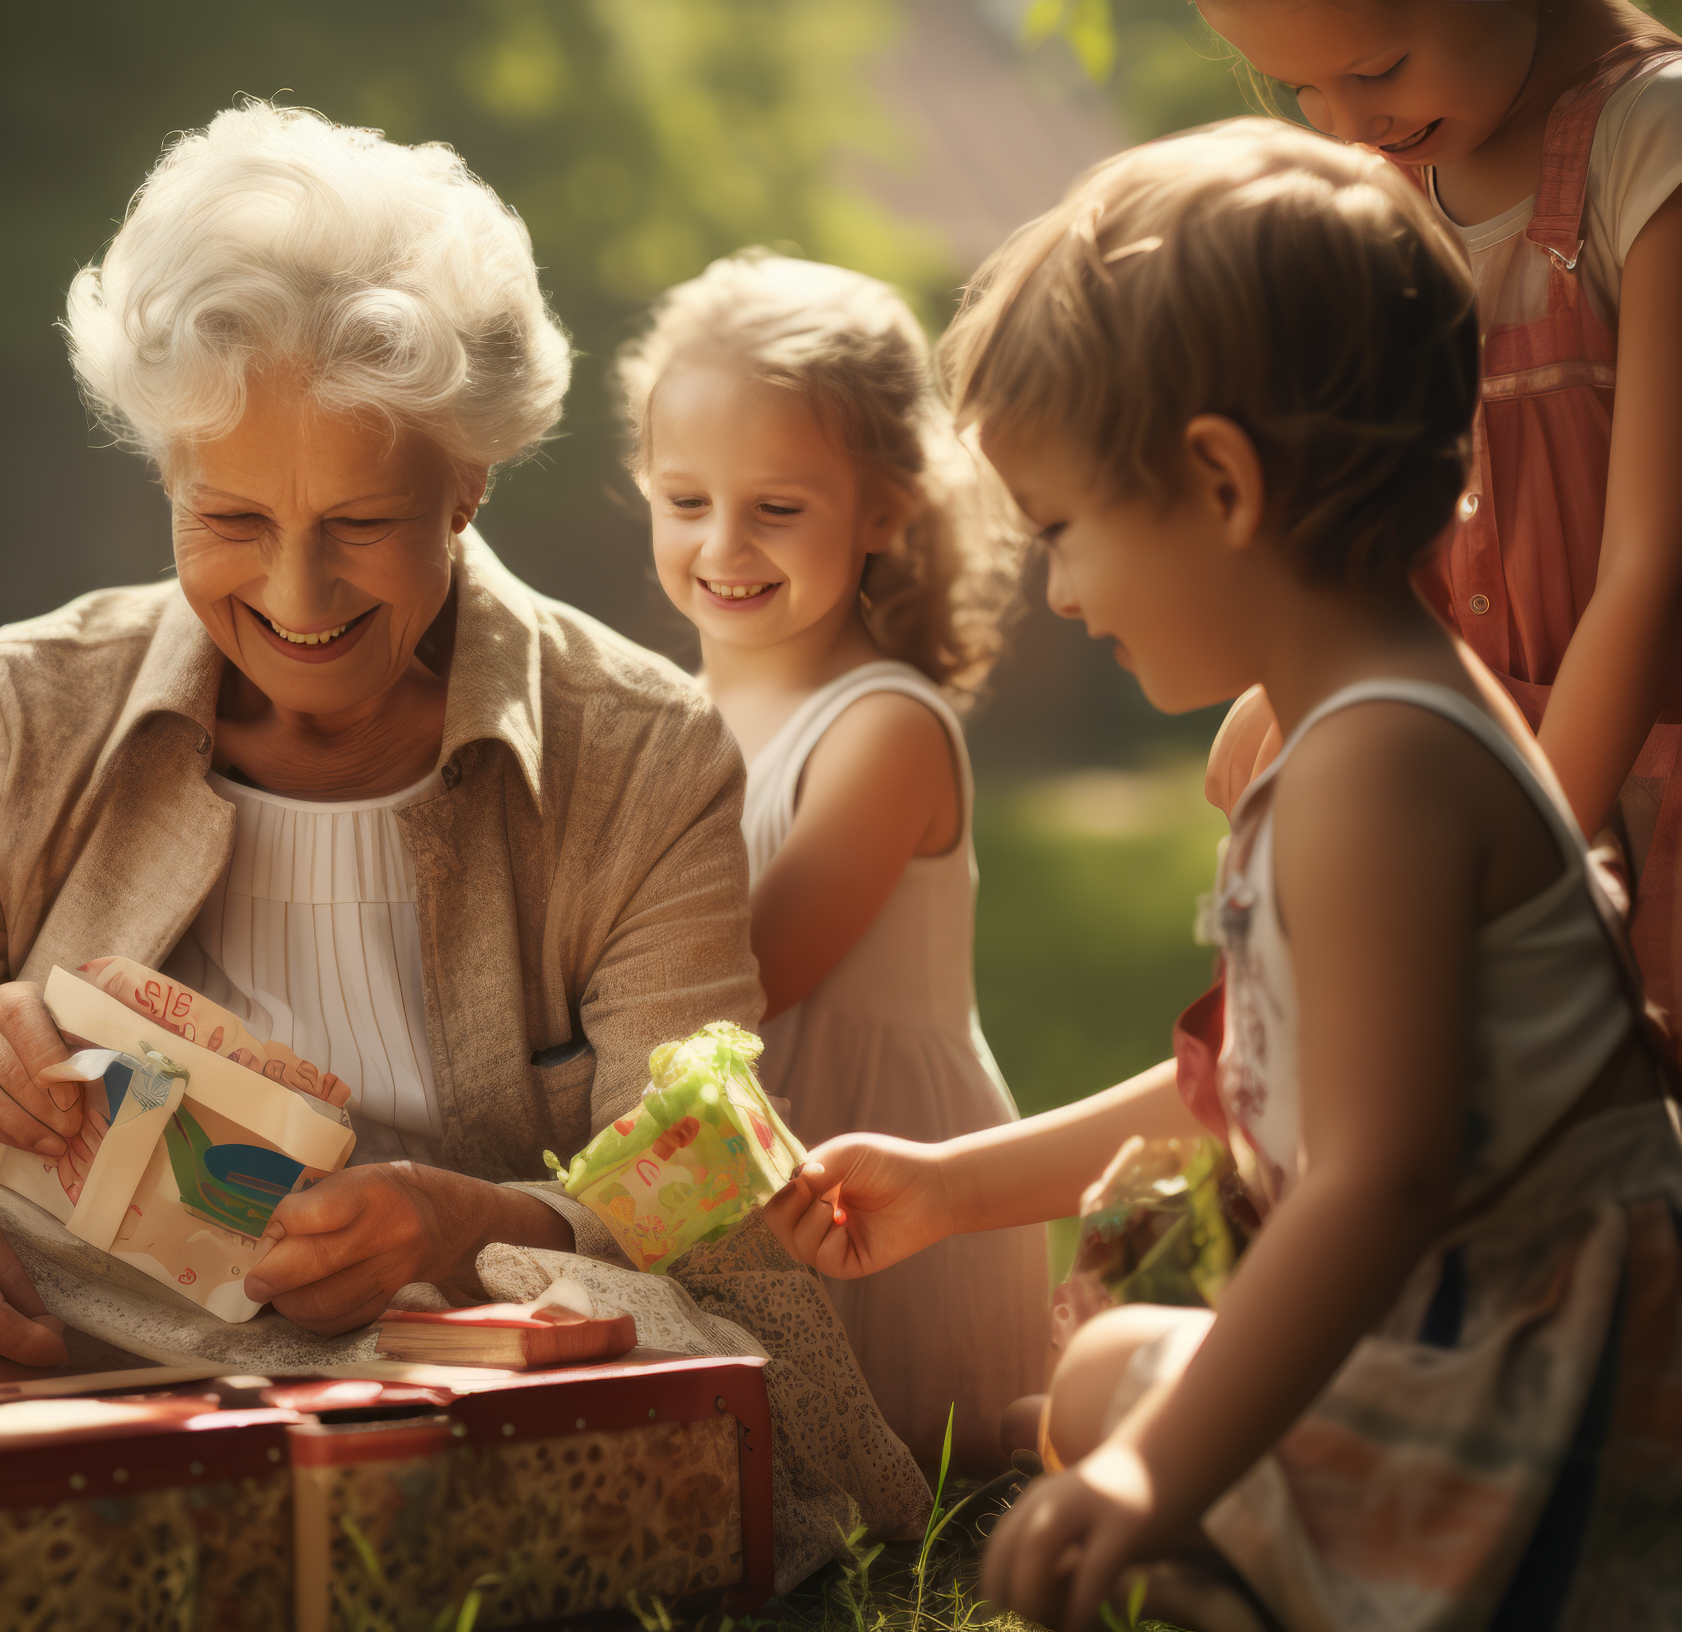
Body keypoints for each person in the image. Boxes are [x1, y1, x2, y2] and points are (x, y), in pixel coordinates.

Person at [768, 121, 1682, 1631]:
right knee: (1110, 1372)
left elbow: (1376, 1184)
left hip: (1535, 1398)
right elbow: (1256, 1079)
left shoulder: (1376, 778)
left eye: (1064, 531)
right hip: (1486, 1330)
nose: (1057, 591)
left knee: (1130, 1417)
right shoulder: (1376, 726)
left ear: (1220, 484)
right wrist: (950, 1188)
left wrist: (1152, 1481)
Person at [0, 102, 749, 1382]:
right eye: (231, 518)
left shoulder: (644, 755)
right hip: (80, 1318)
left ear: (467, 483)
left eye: (363, 523)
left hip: (454, 1348)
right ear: (165, 474)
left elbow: (698, 1190)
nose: (296, 598)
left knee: (662, 1352)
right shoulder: (39, 697)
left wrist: (473, 1219)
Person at [615, 249, 1046, 1474]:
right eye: (684, 499)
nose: (723, 544)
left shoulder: (881, 727)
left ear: (883, 511)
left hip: (875, 1193)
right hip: (734, 1164)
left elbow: (748, 974)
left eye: (777, 507)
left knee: (821, 1476)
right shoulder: (663, 718)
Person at [1201, 0, 1682, 1019]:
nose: (1341, 125)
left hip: (1627, 798)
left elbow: (1648, 570)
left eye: (1375, 69)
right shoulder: (1389, 184)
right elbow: (1375, 507)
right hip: (1477, 779)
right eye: (1299, 90)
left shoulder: (1653, 143)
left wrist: (1519, 870)